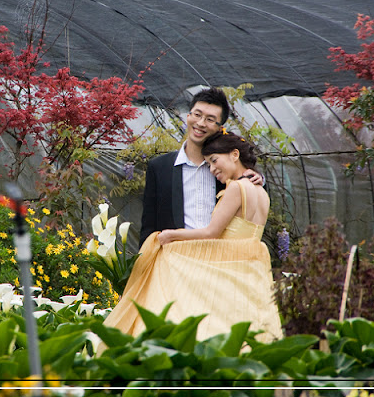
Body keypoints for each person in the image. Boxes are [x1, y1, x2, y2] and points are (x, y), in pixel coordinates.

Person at [103, 130, 283, 343]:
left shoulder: (236, 188)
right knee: (244, 321)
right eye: (209, 164)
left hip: (226, 265)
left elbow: (211, 233)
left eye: (214, 161)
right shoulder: (261, 191)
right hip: (250, 267)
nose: (212, 169)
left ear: (235, 155)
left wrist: (172, 235)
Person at [139, 87, 262, 250]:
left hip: (218, 257)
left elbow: (251, 206)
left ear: (220, 128)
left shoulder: (226, 169)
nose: (201, 123)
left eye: (210, 119)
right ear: (188, 116)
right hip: (174, 258)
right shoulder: (160, 167)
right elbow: (148, 225)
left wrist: (258, 179)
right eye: (197, 115)